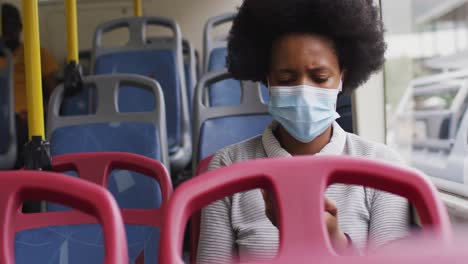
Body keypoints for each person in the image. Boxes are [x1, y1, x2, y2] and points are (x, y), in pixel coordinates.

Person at [197, 0, 411, 263]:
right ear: (267, 80)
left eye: (320, 78)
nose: (303, 91)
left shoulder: (383, 167)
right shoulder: (228, 166)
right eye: (286, 80)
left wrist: (335, 243)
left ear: (342, 78)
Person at [0, 3, 59, 168]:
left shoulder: (36, 53)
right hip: (3, 116)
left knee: (26, 133)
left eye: (12, 26)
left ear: (20, 27)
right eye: (4, 27)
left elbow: (53, 92)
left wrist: (42, 112)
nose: (9, 32)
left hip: (29, 118)